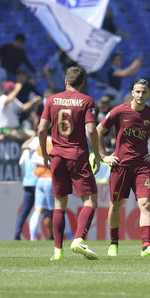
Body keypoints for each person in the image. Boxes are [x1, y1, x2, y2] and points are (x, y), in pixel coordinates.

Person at [97, 78, 150, 257]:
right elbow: (99, 130)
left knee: (145, 204)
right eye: (137, 91)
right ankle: (113, 244)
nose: (140, 95)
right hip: (120, 165)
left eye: (144, 92)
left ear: (148, 94)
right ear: (132, 93)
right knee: (115, 205)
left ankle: (146, 246)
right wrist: (104, 156)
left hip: (141, 167)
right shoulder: (119, 111)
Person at [38, 66, 101, 260]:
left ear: (66, 81)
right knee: (90, 200)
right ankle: (79, 239)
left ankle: (57, 251)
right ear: (82, 83)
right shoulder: (86, 100)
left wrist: (45, 154)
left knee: (59, 203)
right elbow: (91, 131)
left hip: (56, 155)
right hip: (77, 155)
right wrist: (97, 154)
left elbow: (41, 129)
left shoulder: (51, 99)